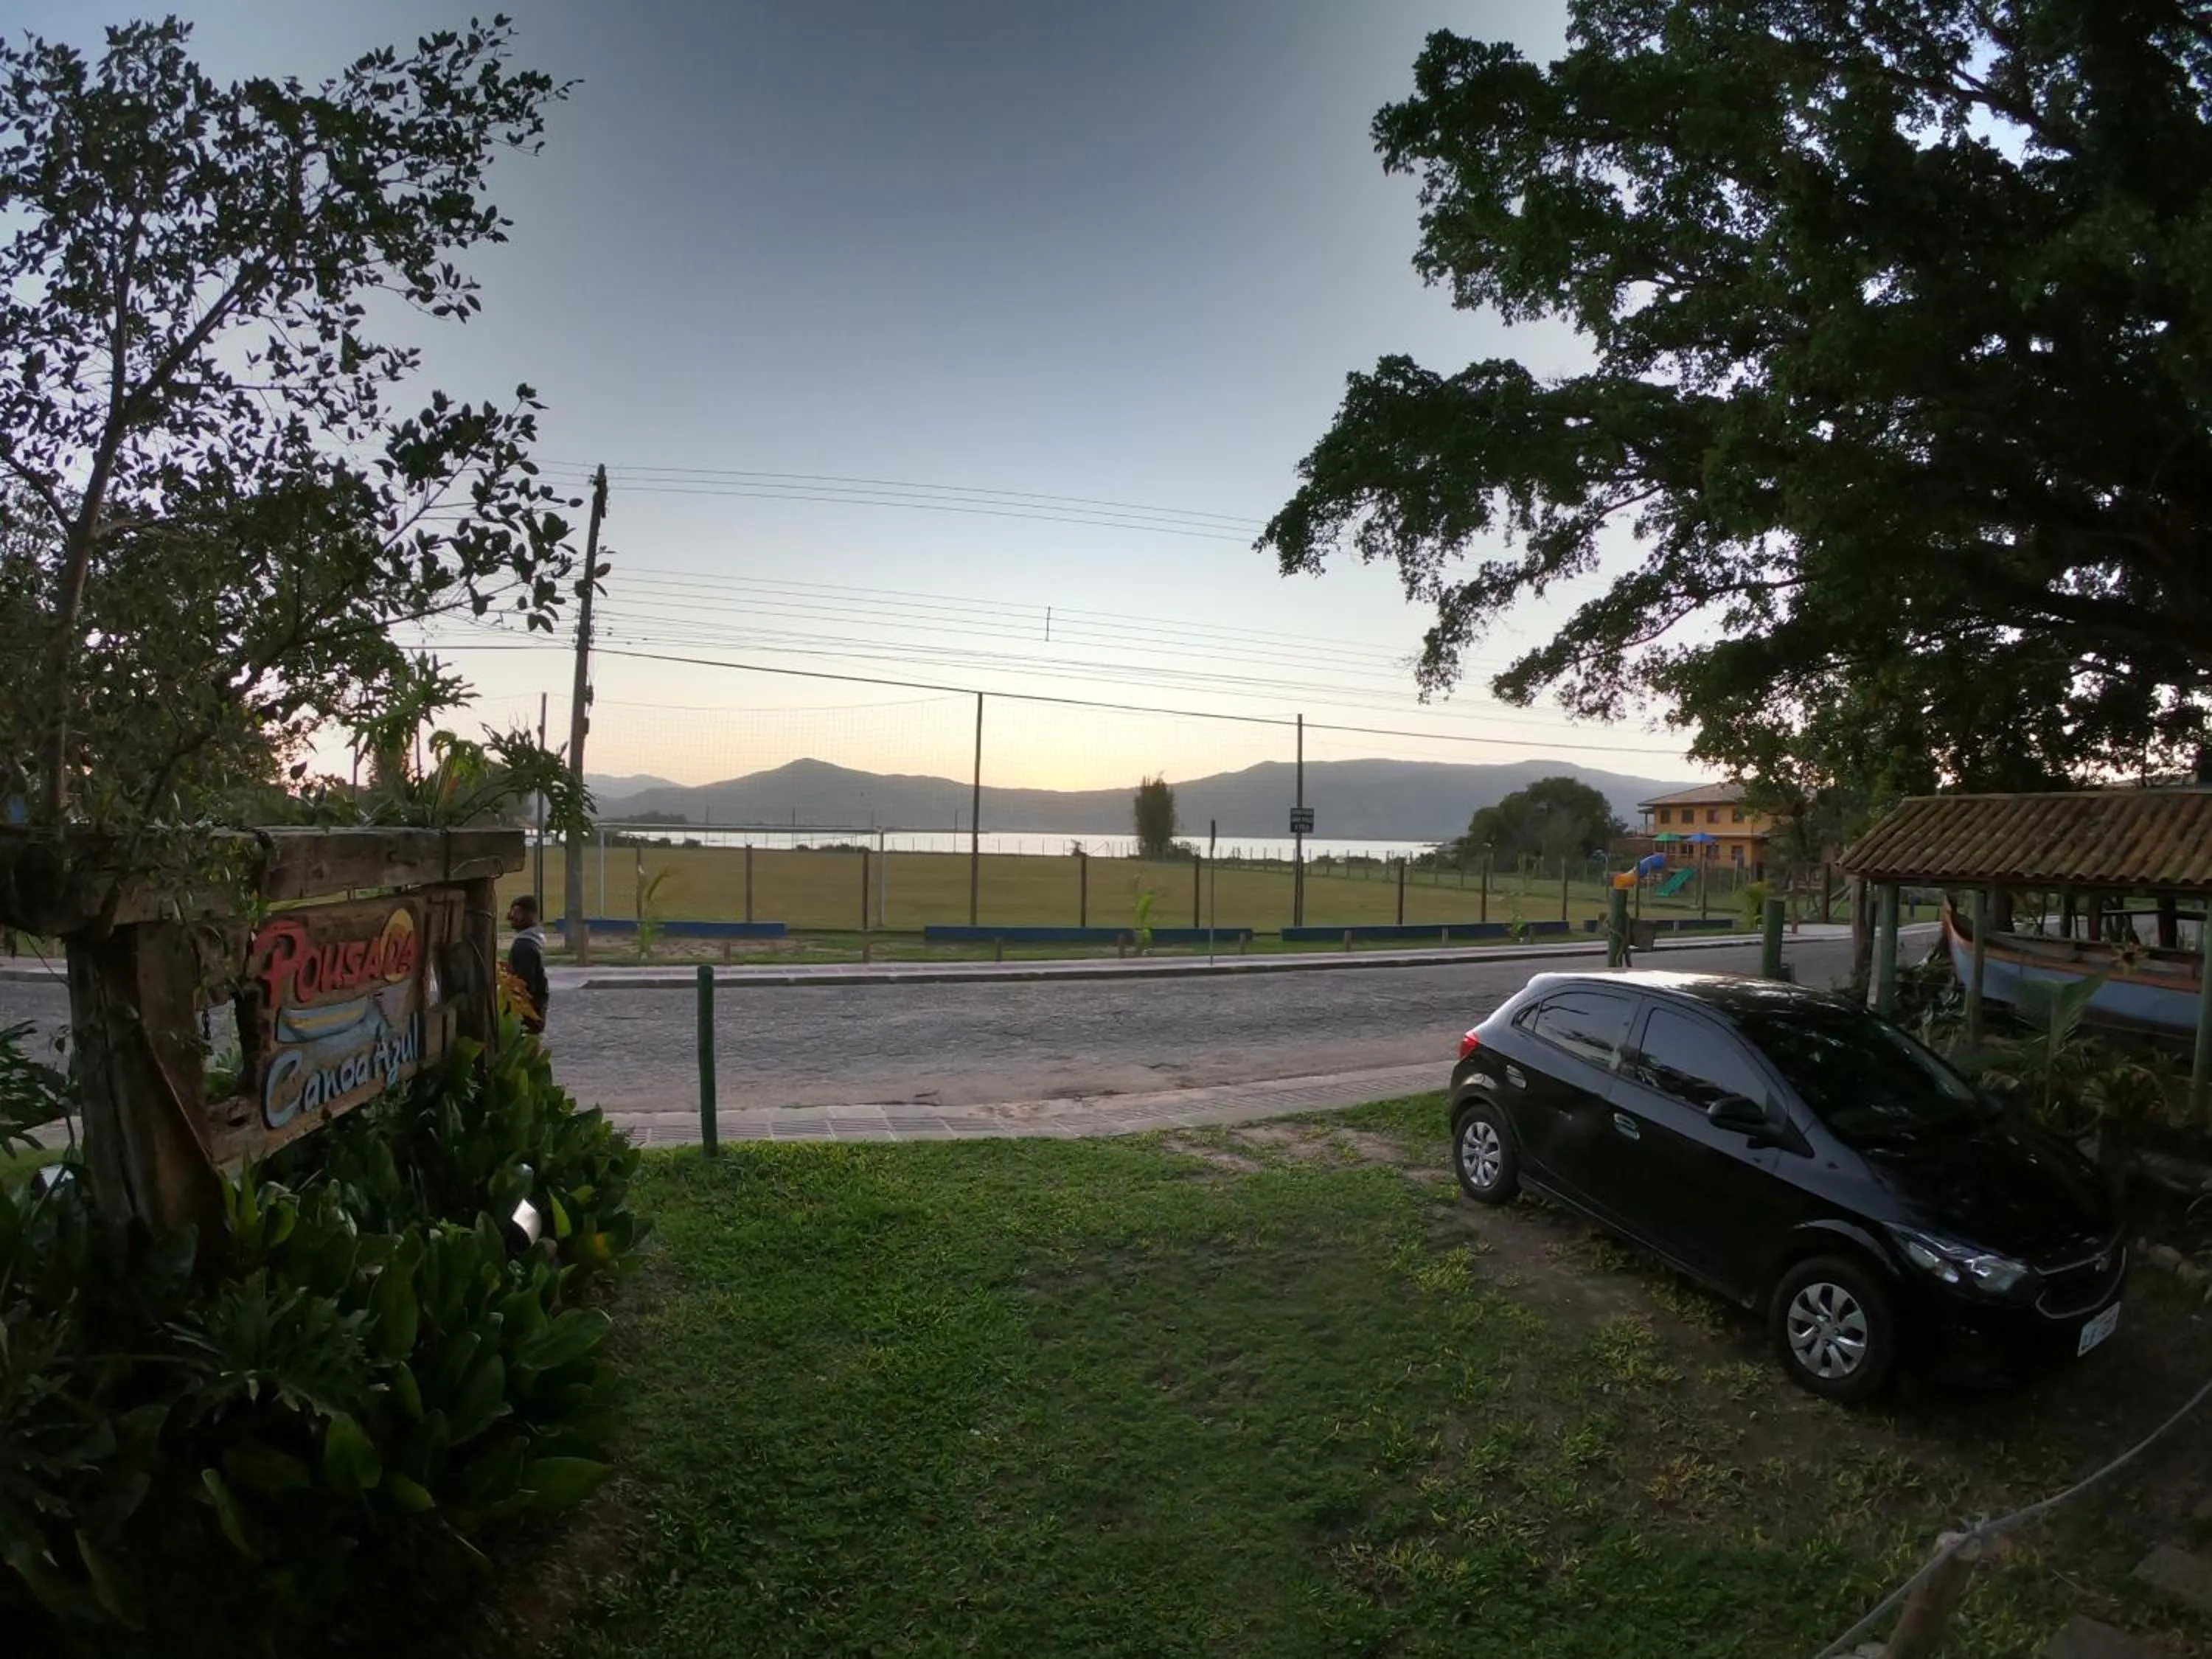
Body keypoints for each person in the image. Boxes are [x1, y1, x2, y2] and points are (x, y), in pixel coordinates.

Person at [506, 894, 550, 1034]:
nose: (511, 916)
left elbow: (524, 986)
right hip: (536, 1013)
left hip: (526, 1018)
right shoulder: (533, 943)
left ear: (531, 916)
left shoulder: (523, 947)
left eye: (517, 912)